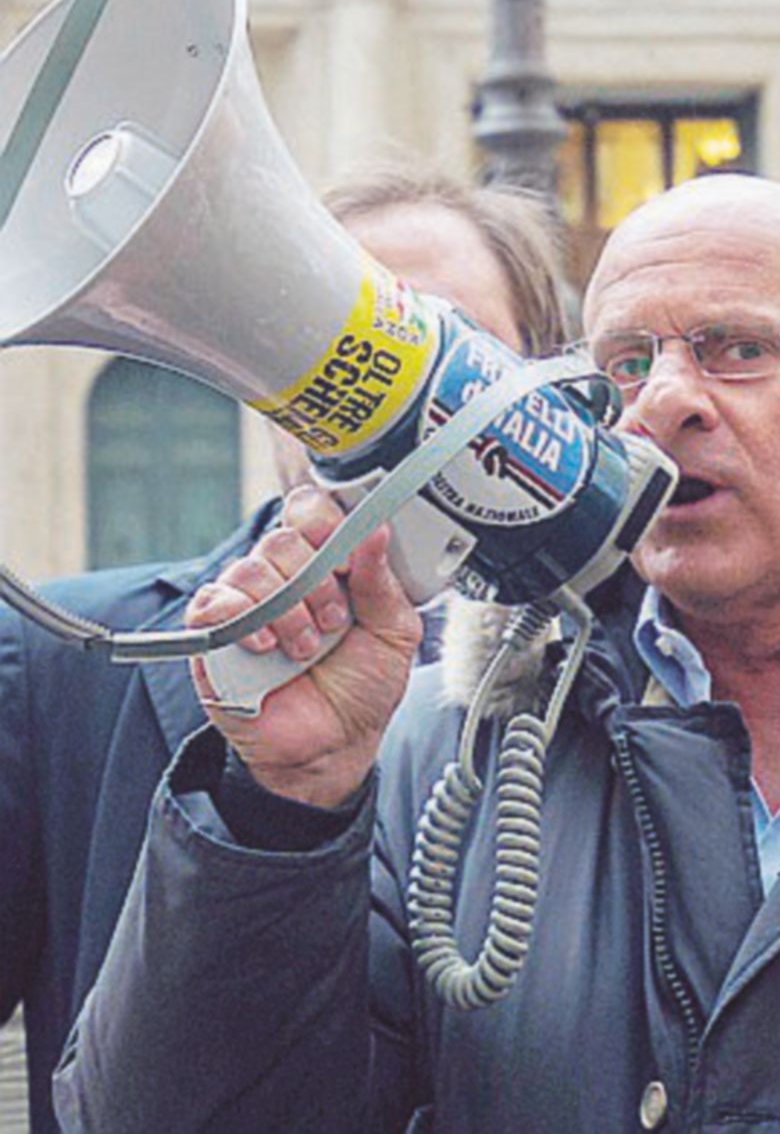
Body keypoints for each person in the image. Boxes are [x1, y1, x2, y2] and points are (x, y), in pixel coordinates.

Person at [53, 175, 780, 1134]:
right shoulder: (438, 759)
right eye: (623, 365)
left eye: (739, 349)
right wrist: (281, 809)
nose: (665, 401)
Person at [0, 154, 566, 1134]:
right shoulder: (58, 660)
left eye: (450, 347)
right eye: (330, 339)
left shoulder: (626, 673)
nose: (388, 394)